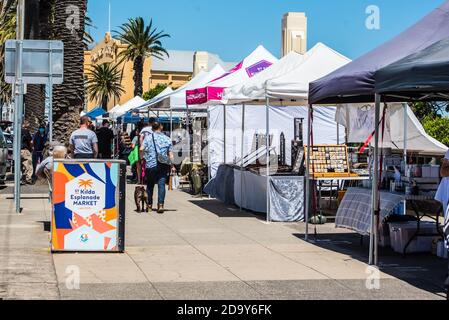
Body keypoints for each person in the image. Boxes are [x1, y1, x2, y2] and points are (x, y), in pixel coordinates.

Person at [141, 122, 175, 214]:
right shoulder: (167, 139)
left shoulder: (148, 138)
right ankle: (160, 205)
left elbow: (141, 149)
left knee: (150, 186)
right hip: (163, 164)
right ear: (161, 127)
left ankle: (149, 206)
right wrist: (172, 165)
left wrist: (142, 157)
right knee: (161, 185)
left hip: (150, 165)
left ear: (152, 129)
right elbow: (170, 154)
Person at [20, 120, 33, 185]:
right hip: (25, 150)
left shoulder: (18, 131)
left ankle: (23, 179)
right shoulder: (26, 131)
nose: (29, 125)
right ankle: (28, 179)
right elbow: (31, 142)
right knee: (29, 165)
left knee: (23, 166)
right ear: (25, 124)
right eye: (28, 123)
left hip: (19, 151)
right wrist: (31, 148)